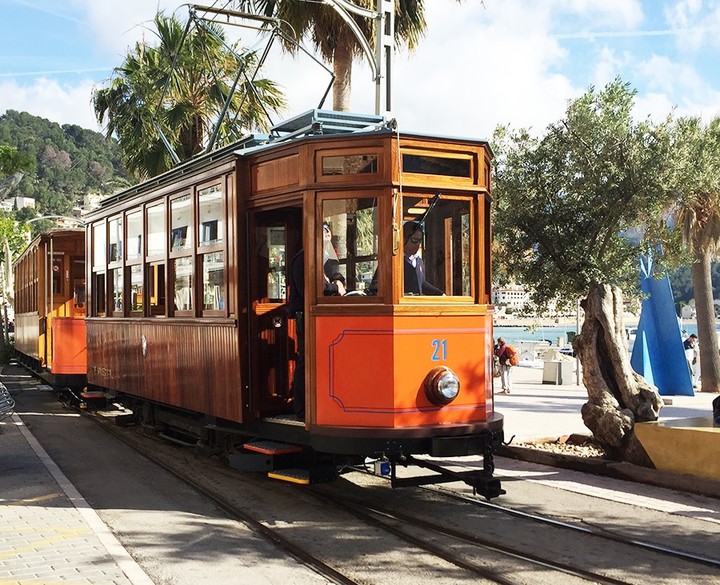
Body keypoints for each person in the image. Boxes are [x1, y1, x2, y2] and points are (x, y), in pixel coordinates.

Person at [288, 240, 346, 420]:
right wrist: (335, 287)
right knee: (306, 359)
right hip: (305, 317)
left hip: (322, 318)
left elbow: (337, 275)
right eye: (325, 234)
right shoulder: (304, 258)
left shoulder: (324, 258)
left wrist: (337, 280)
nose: (328, 239)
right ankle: (302, 409)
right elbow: (312, 289)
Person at [403, 221, 444, 295]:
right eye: (414, 240)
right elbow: (376, 287)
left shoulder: (419, 261)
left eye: (420, 241)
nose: (418, 244)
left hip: (417, 305)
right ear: (403, 239)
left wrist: (440, 294)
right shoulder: (394, 262)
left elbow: (421, 283)